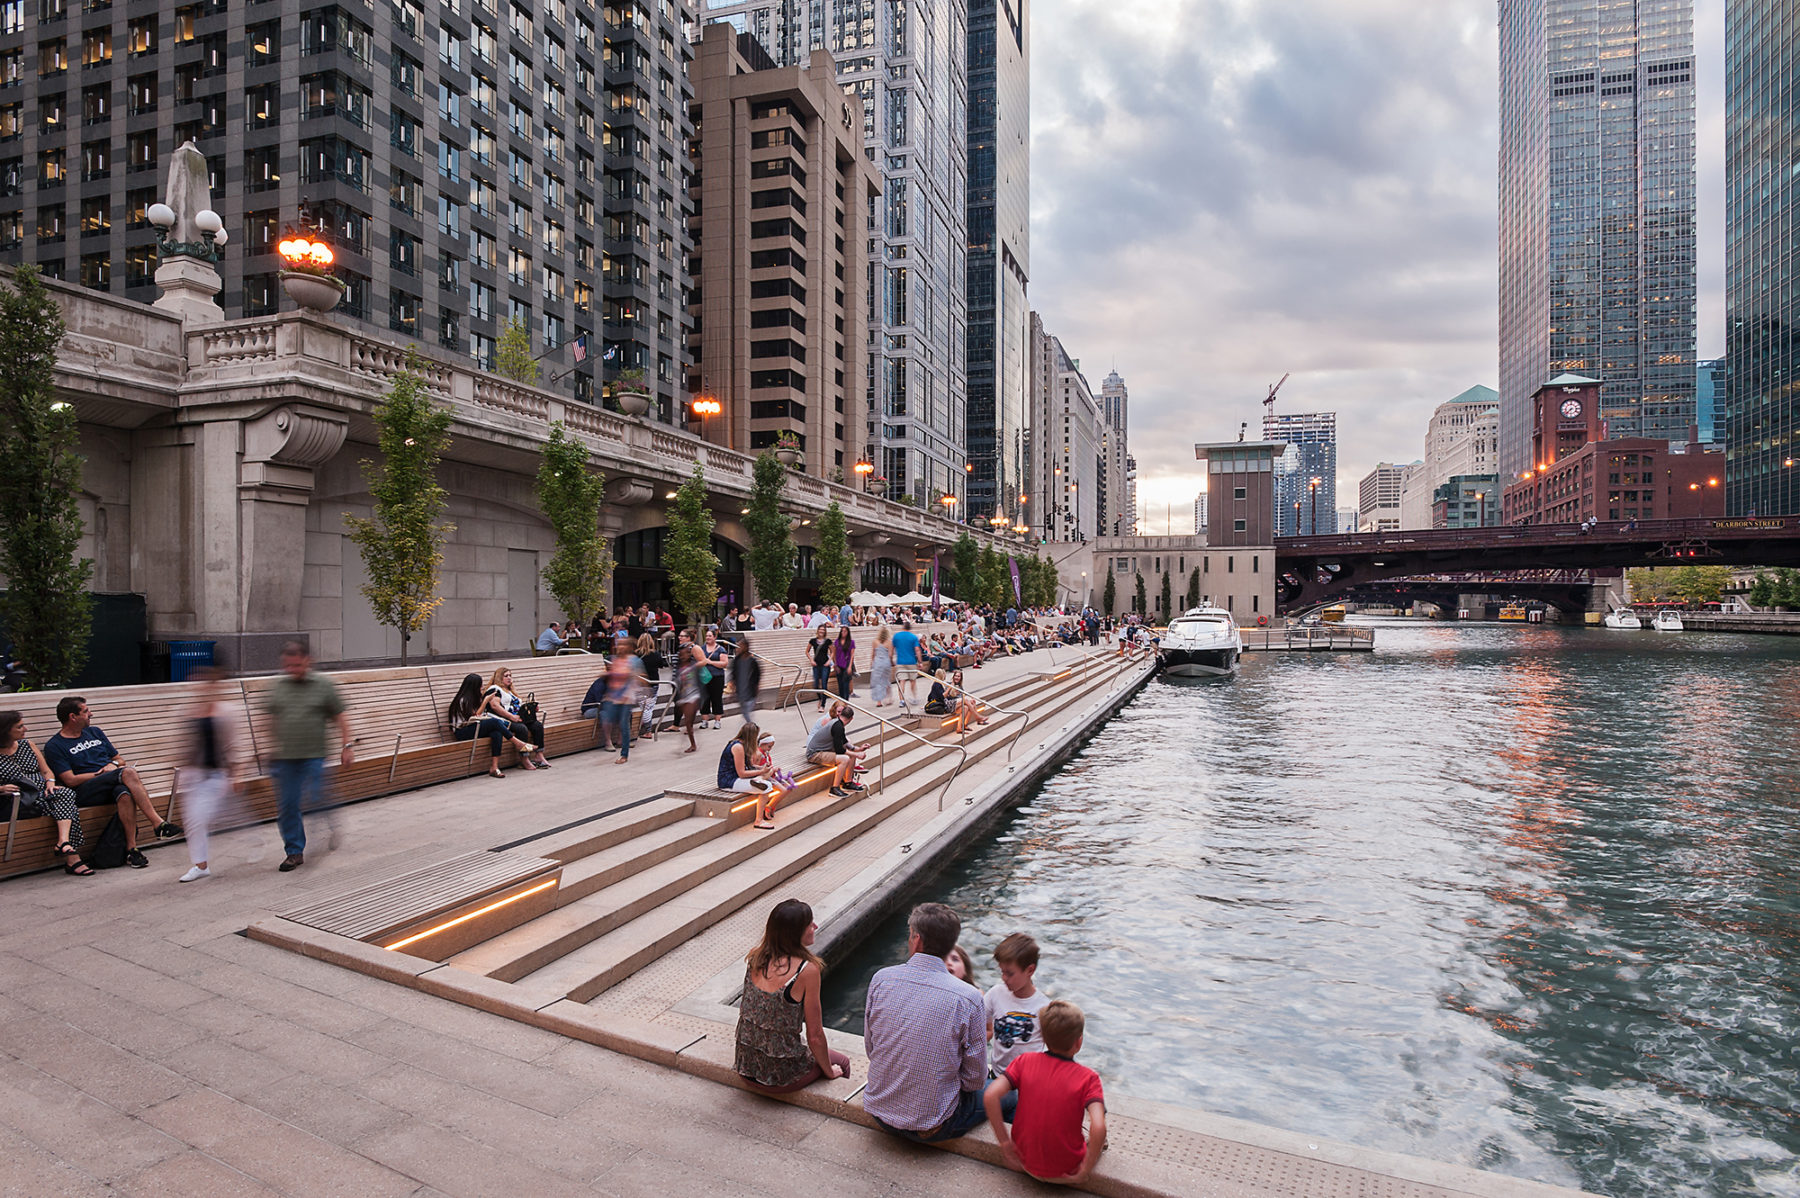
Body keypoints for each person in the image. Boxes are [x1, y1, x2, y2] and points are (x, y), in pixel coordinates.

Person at [863, 902, 988, 1142]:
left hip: (879, 1113)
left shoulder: (881, 980)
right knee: (1009, 1095)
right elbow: (974, 1080)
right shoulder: (969, 998)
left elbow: (871, 1049)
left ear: (917, 940)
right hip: (934, 1125)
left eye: (910, 936)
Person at [45, 695, 181, 870]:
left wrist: (112, 765)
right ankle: (157, 824)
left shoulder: (95, 732)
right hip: (85, 791)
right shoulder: (55, 745)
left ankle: (132, 850)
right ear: (73, 717)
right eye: (86, 711)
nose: (91, 714)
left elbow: (119, 760)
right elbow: (70, 780)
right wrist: (100, 774)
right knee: (129, 773)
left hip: (112, 782)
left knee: (124, 793)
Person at [983, 1000, 1107, 1185]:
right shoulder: (1089, 1078)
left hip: (1024, 1162)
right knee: (1102, 1134)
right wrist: (1084, 1171)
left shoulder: (1024, 1061)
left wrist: (1005, 1145)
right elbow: (1098, 1127)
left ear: (1042, 1036)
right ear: (1079, 1042)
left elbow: (990, 1095)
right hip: (1067, 1171)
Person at [736, 899, 852, 1093]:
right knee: (843, 1062)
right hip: (780, 1077)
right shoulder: (806, 971)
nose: (815, 926)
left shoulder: (755, 956)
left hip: (746, 1066)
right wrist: (830, 1072)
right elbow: (815, 1036)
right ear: (795, 932)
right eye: (809, 924)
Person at [262, 640, 354, 872]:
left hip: (314, 755)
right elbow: (269, 720)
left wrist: (347, 746)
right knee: (288, 805)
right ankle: (294, 852)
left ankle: (330, 824)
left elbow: (340, 717)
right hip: (285, 758)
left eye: (297, 665)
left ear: (307, 661)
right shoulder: (278, 687)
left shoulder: (323, 685)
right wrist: (270, 747)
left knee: (316, 796)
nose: (292, 670)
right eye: (288, 666)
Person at [0, 710, 89, 875]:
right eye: (20, 727)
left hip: (42, 795)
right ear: (5, 731)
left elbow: (47, 772)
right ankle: (72, 858)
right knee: (66, 806)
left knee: (65, 795)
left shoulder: (28, 745)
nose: (25, 729)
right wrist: (2, 788)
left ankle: (64, 842)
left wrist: (50, 783)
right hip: (16, 801)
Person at [177, 668, 241, 882]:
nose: (199, 687)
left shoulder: (225, 712)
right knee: (193, 821)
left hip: (216, 774)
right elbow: (183, 743)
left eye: (204, 683)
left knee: (201, 817)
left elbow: (234, 744)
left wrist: (236, 773)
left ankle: (248, 835)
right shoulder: (190, 711)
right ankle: (201, 865)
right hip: (195, 774)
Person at [985, 933, 1050, 1073]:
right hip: (999, 1074)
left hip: (1027, 1080)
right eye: (1002, 972)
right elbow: (976, 1021)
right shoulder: (995, 994)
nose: (1004, 978)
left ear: (1030, 970)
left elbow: (1054, 1050)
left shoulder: (1044, 1007)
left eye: (1010, 973)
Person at [449, 672, 530, 777]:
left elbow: (479, 716)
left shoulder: (474, 699)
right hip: (462, 731)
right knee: (495, 722)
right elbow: (475, 716)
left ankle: (494, 767)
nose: (482, 687)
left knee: (496, 732)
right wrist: (486, 700)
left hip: (474, 727)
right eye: (480, 685)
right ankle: (517, 743)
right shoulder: (462, 700)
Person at [483, 666, 550, 770]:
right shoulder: (495, 689)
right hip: (504, 719)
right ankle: (524, 759)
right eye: (506, 676)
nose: (509, 678)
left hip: (518, 717)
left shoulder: (511, 691)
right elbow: (494, 706)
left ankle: (539, 755)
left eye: (510, 675)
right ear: (499, 678)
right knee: (521, 728)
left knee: (537, 725)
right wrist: (511, 717)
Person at [719, 722, 779, 828]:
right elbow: (741, 773)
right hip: (729, 781)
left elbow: (749, 765)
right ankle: (758, 820)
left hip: (735, 778)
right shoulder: (738, 747)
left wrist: (762, 768)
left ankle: (758, 780)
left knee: (766, 779)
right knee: (767, 787)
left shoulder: (741, 744)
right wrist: (761, 772)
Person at [804, 702, 866, 797]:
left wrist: (858, 749)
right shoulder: (837, 726)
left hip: (824, 750)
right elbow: (840, 750)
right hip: (814, 754)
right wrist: (857, 755)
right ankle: (834, 788)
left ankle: (848, 783)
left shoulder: (839, 724)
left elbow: (845, 743)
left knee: (850, 755)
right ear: (851, 719)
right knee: (844, 759)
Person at [601, 641, 640, 764]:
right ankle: (611, 742)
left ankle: (624, 754)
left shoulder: (634, 661)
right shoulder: (616, 660)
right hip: (613, 697)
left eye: (623, 645)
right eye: (619, 644)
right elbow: (613, 677)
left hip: (626, 697)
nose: (619, 647)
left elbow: (639, 677)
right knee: (607, 717)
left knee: (624, 724)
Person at [673, 644, 704, 754]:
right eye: (681, 654)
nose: (683, 656)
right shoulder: (679, 669)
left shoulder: (694, 666)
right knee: (688, 723)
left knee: (688, 721)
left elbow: (700, 682)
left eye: (686, 653)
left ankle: (693, 744)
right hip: (684, 696)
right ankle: (692, 743)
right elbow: (677, 683)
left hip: (694, 695)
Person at [635, 632, 665, 740]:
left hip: (640, 683)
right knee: (648, 707)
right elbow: (661, 665)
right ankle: (648, 730)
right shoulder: (656, 654)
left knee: (644, 707)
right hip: (653, 683)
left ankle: (646, 729)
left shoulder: (635, 655)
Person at [700, 629, 730, 730]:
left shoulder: (720, 649)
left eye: (710, 636)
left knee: (716, 698)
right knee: (704, 699)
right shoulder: (701, 648)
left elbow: (724, 663)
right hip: (704, 677)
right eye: (707, 636)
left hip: (717, 677)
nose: (708, 638)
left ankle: (717, 721)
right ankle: (704, 721)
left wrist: (710, 662)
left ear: (715, 637)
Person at [729, 636, 762, 723]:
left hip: (750, 691)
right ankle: (750, 726)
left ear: (746, 647)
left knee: (746, 712)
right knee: (744, 712)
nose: (738, 648)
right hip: (740, 690)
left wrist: (757, 687)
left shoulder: (753, 661)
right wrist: (733, 686)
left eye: (741, 646)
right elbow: (733, 674)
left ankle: (751, 726)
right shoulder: (736, 660)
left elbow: (757, 675)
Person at [891, 620, 921, 712]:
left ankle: (901, 700)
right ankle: (914, 697)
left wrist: (891, 659)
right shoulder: (913, 637)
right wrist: (920, 661)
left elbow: (892, 649)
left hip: (900, 661)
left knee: (902, 681)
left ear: (903, 627)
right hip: (911, 661)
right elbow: (917, 650)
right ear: (910, 628)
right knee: (913, 680)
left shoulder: (896, 636)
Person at [869, 626, 894, 708]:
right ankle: (888, 698)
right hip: (886, 662)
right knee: (886, 680)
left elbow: (873, 654)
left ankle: (878, 701)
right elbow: (890, 655)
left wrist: (871, 663)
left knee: (877, 682)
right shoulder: (889, 642)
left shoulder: (874, 641)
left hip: (877, 663)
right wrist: (892, 662)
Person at [809, 626, 832, 712]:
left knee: (824, 685)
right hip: (816, 664)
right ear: (818, 630)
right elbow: (807, 651)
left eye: (823, 630)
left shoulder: (828, 641)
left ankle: (823, 705)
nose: (821, 631)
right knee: (815, 685)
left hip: (825, 665)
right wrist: (811, 659)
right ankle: (820, 698)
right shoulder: (813, 641)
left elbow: (833, 651)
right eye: (820, 629)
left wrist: (830, 660)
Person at [831, 626, 856, 701]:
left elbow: (852, 655)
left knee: (846, 683)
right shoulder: (837, 642)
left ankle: (846, 700)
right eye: (842, 631)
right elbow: (834, 653)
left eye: (845, 631)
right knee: (840, 683)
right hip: (839, 664)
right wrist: (835, 664)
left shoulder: (851, 642)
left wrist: (850, 666)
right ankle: (841, 699)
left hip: (847, 663)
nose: (843, 633)